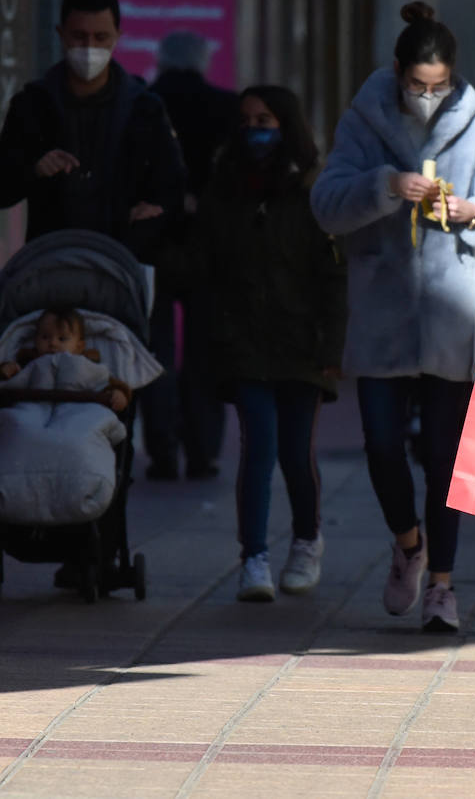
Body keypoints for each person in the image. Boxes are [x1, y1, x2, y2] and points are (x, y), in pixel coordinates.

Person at [310, 2, 475, 633]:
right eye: (417, 85)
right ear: (398, 72)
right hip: (382, 312)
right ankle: (408, 544)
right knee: (380, 445)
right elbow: (326, 204)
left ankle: (442, 586)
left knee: (443, 456)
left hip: (451, 316)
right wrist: (383, 186)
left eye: (440, 86)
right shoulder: (364, 120)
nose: (429, 97)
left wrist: (474, 212)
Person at [178, 86, 347, 601]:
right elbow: (200, 263)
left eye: (265, 120)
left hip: (302, 344)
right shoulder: (223, 189)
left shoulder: (313, 192)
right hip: (244, 342)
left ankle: (306, 540)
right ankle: (253, 557)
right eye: (247, 121)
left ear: (286, 125)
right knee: (258, 449)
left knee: (296, 453)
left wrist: (331, 348)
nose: (255, 130)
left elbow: (332, 278)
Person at [0, 0, 186, 260]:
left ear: (117, 37)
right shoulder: (33, 105)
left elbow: (173, 187)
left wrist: (156, 210)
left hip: (123, 263)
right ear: (61, 35)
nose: (90, 47)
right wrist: (34, 170)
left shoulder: (144, 108)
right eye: (79, 36)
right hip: (52, 262)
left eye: (101, 37)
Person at [146, 31, 241, 481]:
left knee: (155, 351)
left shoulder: (145, 103)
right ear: (202, 60)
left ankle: (161, 449)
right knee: (204, 352)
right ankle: (203, 451)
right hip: (210, 246)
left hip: (154, 242)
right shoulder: (226, 107)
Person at [0, 309, 130, 412]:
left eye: (62, 339)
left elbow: (105, 381)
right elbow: (5, 385)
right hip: (32, 407)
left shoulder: (88, 365)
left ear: (79, 346)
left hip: (76, 413)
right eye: (45, 337)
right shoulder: (26, 362)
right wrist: (5, 371)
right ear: (35, 341)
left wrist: (119, 393)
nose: (53, 343)